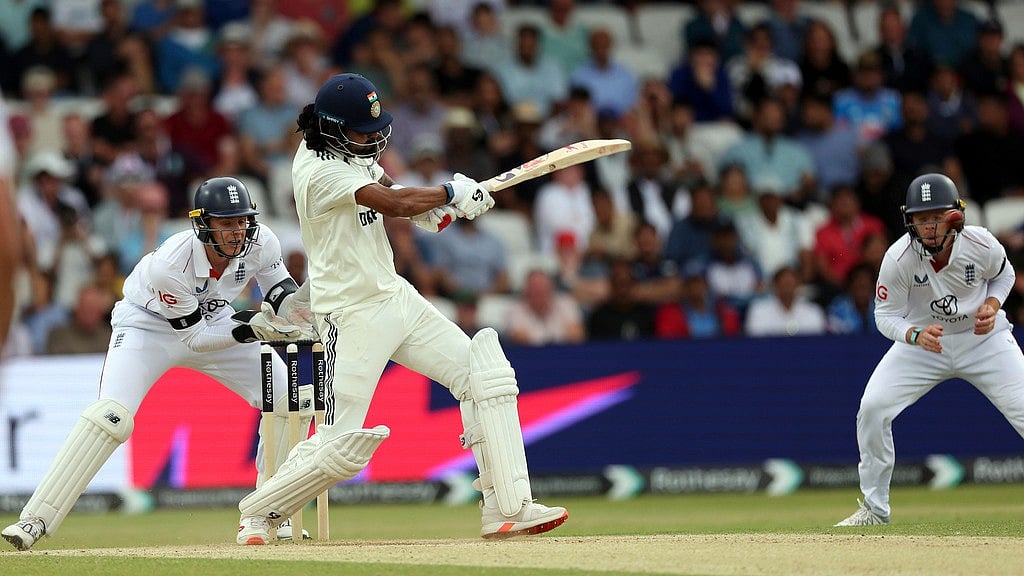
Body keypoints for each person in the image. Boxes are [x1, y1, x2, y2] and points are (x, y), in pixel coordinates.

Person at [233, 73, 568, 545]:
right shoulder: (318, 170)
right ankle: (261, 515)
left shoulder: (353, 152)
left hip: (393, 295)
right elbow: (390, 201)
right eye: (362, 132)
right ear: (330, 128)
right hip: (349, 317)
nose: (373, 139)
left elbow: (393, 188)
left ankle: (507, 508)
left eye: (376, 130)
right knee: (339, 444)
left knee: (483, 374)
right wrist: (448, 194)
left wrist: (434, 210)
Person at [2, 177, 313, 551]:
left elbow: (280, 292)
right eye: (226, 223)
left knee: (289, 399)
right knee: (110, 418)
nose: (237, 232)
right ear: (203, 224)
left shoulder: (262, 241)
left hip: (216, 319)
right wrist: (254, 327)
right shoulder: (170, 264)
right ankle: (34, 520)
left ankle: (266, 515)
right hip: (146, 328)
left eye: (242, 221)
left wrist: (299, 311)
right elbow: (195, 341)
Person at [834, 173, 1024, 527]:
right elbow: (885, 315)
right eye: (921, 219)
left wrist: (994, 303)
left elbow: (1005, 273)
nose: (930, 227)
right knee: (873, 408)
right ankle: (874, 511)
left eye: (936, 216)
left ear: (955, 215)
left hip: (983, 339)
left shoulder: (981, 243)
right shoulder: (899, 257)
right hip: (924, 343)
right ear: (910, 221)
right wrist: (913, 334)